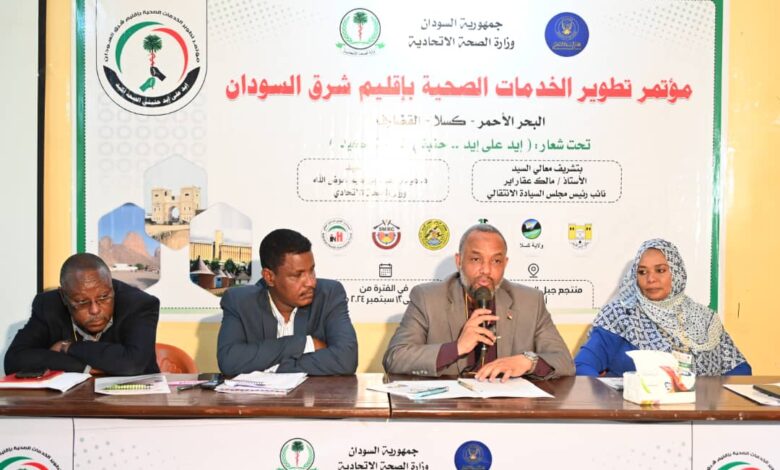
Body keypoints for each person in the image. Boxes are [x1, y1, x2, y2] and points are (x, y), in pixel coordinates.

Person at [383, 224, 574, 381]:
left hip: (508, 408)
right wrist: (456, 348)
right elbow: (395, 358)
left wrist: (527, 362)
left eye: (496, 261)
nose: (486, 270)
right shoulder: (427, 298)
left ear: (505, 263)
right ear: (459, 261)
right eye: (476, 259)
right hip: (450, 410)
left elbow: (564, 362)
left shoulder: (530, 301)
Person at [575, 239, 751, 376]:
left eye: (660, 270)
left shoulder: (704, 318)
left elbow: (740, 369)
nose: (651, 279)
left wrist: (714, 398)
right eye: (642, 272)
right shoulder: (621, 314)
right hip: (636, 409)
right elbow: (583, 365)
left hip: (698, 410)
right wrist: (610, 396)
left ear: (677, 272)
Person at [217, 229, 358, 375]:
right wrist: (303, 343)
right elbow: (229, 361)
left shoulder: (329, 295)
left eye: (311, 271)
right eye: (297, 275)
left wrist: (276, 368)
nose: (311, 283)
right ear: (269, 277)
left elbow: (346, 360)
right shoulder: (239, 302)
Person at [5, 253, 160, 375]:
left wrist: (68, 348)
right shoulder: (48, 305)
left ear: (111, 287)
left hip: (135, 400)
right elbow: (14, 359)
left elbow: (132, 363)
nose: (95, 310)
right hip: (71, 401)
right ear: (64, 296)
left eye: (104, 297)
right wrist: (83, 367)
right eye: (81, 301)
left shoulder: (139, 304)